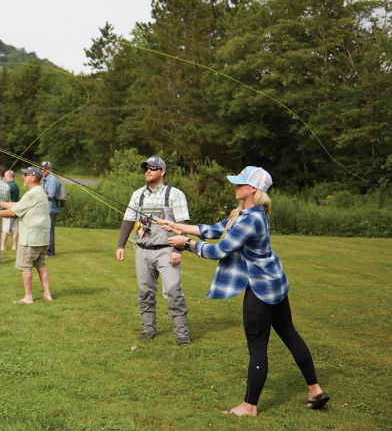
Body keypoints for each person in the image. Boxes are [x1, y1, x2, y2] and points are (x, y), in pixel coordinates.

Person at [158, 166, 329, 416]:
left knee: (258, 345)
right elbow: (215, 229)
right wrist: (176, 225)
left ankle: (249, 406)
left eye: (240, 183)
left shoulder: (251, 219)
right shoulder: (247, 213)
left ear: (253, 189)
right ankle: (315, 391)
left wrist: (186, 244)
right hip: (275, 283)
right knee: (289, 334)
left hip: (260, 288)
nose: (235, 186)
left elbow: (218, 250)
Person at [116, 156, 191, 345]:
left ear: (162, 171)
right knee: (145, 292)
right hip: (142, 251)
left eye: (153, 168)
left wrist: (177, 250)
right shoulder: (137, 194)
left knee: (173, 291)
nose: (148, 171)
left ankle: (181, 334)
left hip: (167, 251)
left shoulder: (175, 194)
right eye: (146, 168)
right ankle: (148, 330)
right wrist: (121, 245)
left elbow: (182, 225)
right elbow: (128, 220)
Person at [0, 166, 52, 303]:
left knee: (25, 266)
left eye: (26, 175)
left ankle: (28, 297)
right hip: (42, 238)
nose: (23, 177)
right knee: (41, 265)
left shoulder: (31, 194)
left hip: (30, 238)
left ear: (33, 177)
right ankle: (47, 294)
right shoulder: (40, 191)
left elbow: (14, 212)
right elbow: (19, 205)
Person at [40, 161, 60, 256]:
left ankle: (50, 251)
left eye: (45, 168)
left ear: (50, 169)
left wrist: (41, 192)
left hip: (51, 209)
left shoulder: (52, 180)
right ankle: (46, 249)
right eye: (42, 168)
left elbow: (51, 195)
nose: (42, 170)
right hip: (46, 208)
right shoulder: (44, 178)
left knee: (50, 230)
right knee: (46, 230)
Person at [0, 170, 20, 250]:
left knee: (5, 230)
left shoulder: (8, 186)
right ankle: (14, 246)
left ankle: (2, 247)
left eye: (5, 176)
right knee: (14, 230)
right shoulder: (16, 185)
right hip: (16, 210)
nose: (4, 178)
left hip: (8, 210)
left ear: (8, 176)